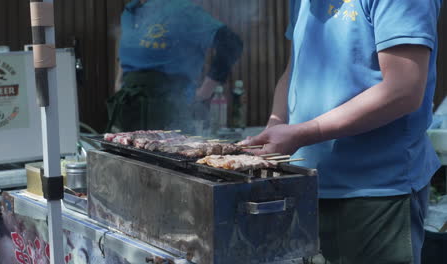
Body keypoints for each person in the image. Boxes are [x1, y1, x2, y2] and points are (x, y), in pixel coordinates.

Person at [242, 0, 443, 263]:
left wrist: (304, 132)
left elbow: (403, 90)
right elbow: (295, 67)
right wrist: (276, 124)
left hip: (376, 194)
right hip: (305, 184)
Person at [106, 0, 243, 132]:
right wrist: (118, 81)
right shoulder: (130, 11)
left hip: (170, 111)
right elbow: (126, 47)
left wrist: (204, 91)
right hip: (126, 110)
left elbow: (231, 44)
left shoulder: (183, 9)